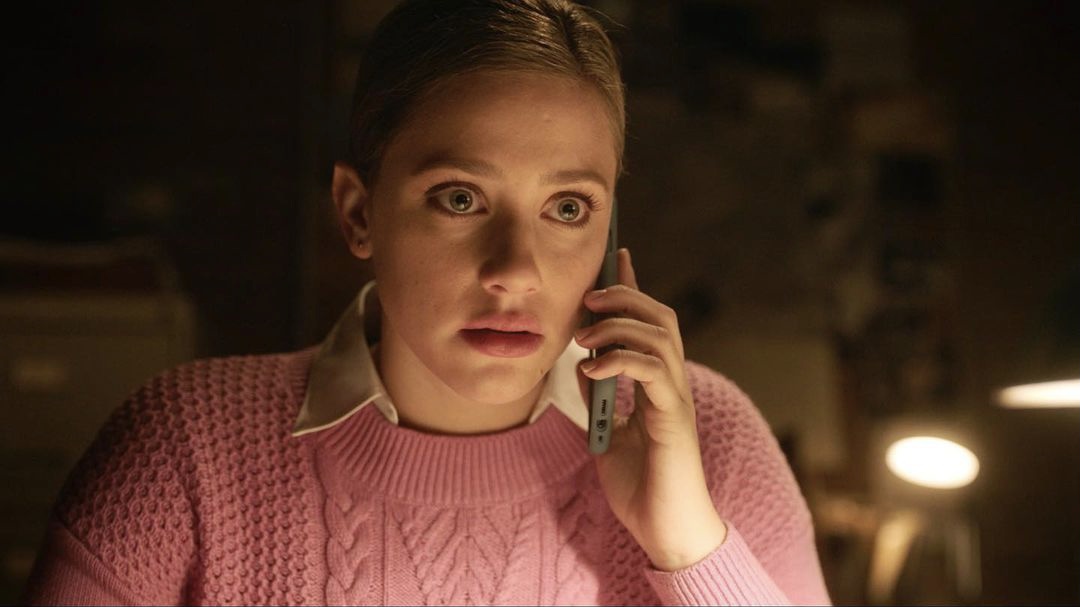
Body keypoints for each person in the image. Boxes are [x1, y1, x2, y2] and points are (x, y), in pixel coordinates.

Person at [24, 0, 831, 604]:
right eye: (460, 198)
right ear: (358, 213)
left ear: (609, 228)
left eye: (567, 208)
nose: (515, 272)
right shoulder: (185, 447)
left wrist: (691, 545)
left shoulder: (711, 441)